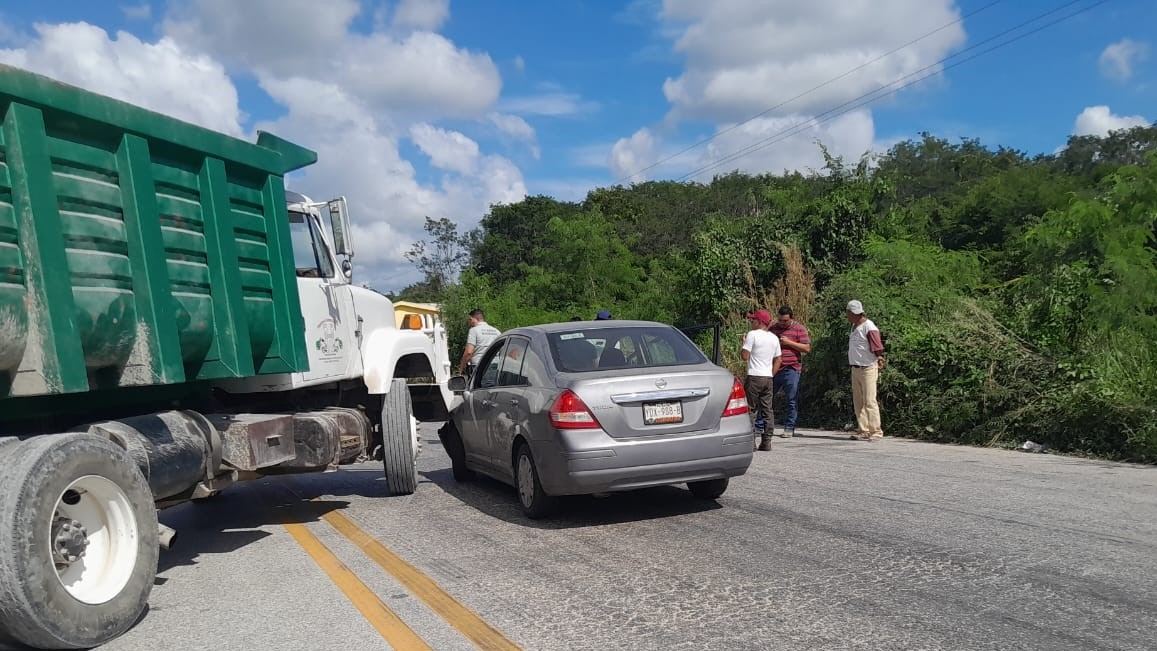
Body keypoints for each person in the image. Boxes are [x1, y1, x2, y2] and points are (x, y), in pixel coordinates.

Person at [740, 308, 782, 451]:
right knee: (767, 409)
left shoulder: (752, 335)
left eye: (753, 320)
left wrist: (744, 343)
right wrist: (771, 373)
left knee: (750, 409)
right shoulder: (774, 338)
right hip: (767, 377)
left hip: (754, 376)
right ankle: (767, 441)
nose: (751, 322)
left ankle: (751, 441)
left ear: (759, 322)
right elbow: (778, 359)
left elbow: (745, 356)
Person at [845, 299, 885, 441]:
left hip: (868, 367)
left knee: (869, 400)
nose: (848, 316)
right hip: (855, 367)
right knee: (858, 401)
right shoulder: (854, 326)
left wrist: (879, 357)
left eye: (850, 313)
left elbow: (877, 346)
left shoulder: (869, 326)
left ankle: (876, 431)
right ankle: (863, 429)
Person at [769, 305, 811, 438]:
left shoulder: (799, 329)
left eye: (785, 321)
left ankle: (789, 427)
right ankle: (760, 426)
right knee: (767, 397)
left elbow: (806, 348)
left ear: (791, 318)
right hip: (775, 368)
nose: (782, 324)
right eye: (780, 320)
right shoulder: (773, 329)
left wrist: (788, 342)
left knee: (791, 399)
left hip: (791, 368)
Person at [458, 308, 501, 377]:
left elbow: (469, 352)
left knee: (479, 387)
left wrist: (462, 367)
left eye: (470, 319)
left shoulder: (474, 330)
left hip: (479, 365)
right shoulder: (496, 331)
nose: (470, 322)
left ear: (476, 318)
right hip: (495, 365)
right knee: (492, 387)